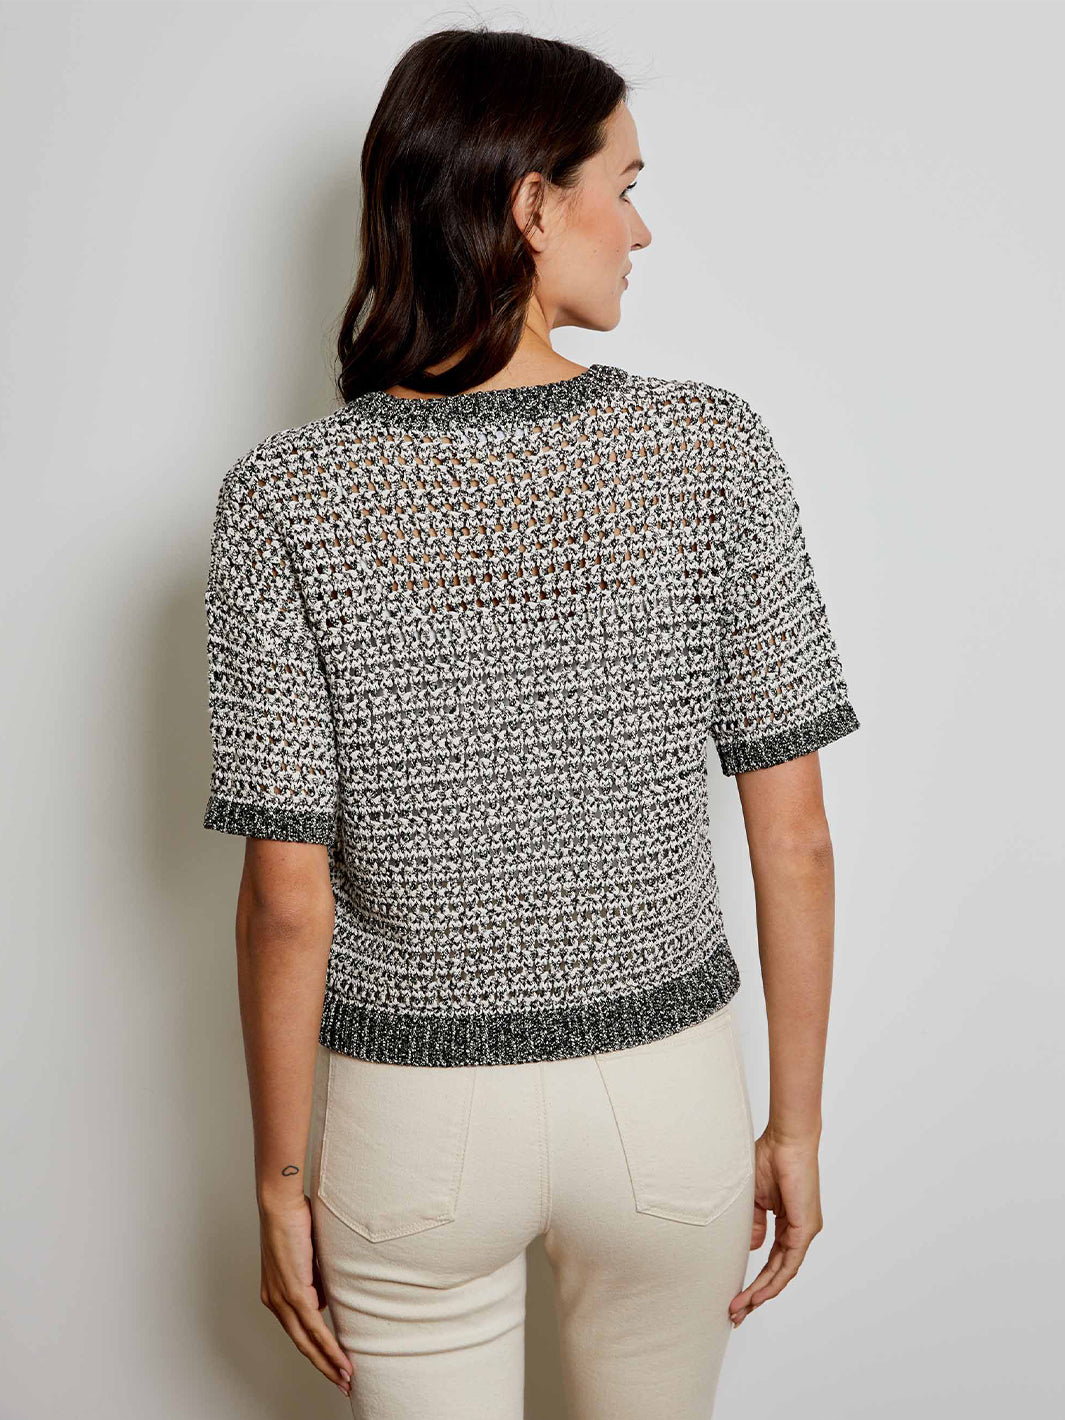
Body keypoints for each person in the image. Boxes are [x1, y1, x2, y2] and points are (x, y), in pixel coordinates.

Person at [200, 25, 860, 1420]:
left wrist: (278, 1184)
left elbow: (284, 898)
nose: (641, 228)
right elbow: (793, 835)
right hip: (665, 1104)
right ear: (530, 204)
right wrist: (795, 1125)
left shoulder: (282, 497)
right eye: (625, 185)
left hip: (409, 1124)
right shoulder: (712, 448)